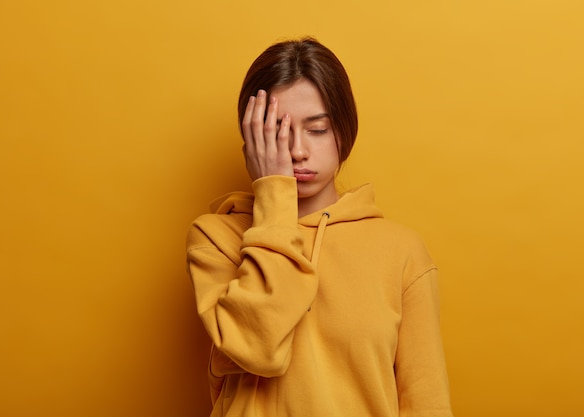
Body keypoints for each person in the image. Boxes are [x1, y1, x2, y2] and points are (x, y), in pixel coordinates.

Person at [186, 37, 454, 417]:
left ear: (343, 131)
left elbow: (426, 402)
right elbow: (258, 349)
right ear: (252, 139)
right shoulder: (217, 238)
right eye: (278, 130)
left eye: (317, 129)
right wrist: (275, 198)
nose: (297, 150)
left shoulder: (401, 252)